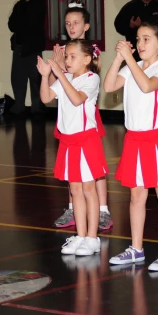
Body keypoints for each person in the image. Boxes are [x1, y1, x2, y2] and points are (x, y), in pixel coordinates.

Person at [103, 20, 158, 271]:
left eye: (146, 39)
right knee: (136, 195)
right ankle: (136, 249)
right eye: (138, 39)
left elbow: (147, 86)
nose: (140, 44)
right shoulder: (132, 65)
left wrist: (129, 61)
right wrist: (119, 58)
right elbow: (108, 87)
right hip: (134, 139)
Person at [38, 39, 108, 257]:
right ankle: (79, 234)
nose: (67, 60)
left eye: (72, 56)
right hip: (68, 141)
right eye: (66, 56)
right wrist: (45, 76)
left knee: (88, 189)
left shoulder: (91, 78)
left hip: (86, 140)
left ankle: (92, 237)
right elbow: (46, 97)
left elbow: (77, 99)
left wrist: (59, 74)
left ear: (87, 59)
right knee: (75, 189)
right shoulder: (65, 77)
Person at [49, 0, 112, 232]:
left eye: (76, 23)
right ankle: (73, 208)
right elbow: (52, 88)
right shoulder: (65, 52)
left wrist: (62, 71)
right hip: (67, 110)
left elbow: (83, 86)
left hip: (85, 111)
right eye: (67, 23)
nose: (71, 27)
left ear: (86, 26)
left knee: (93, 167)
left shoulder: (88, 54)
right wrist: (55, 69)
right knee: (72, 166)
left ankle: (102, 210)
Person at [8, 0, 46, 118]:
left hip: (34, 47)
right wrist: (22, 24)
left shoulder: (39, 3)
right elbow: (11, 24)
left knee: (35, 78)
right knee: (17, 78)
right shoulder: (19, 5)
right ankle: (19, 106)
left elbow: (33, 23)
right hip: (19, 47)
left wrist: (21, 23)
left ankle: (37, 108)